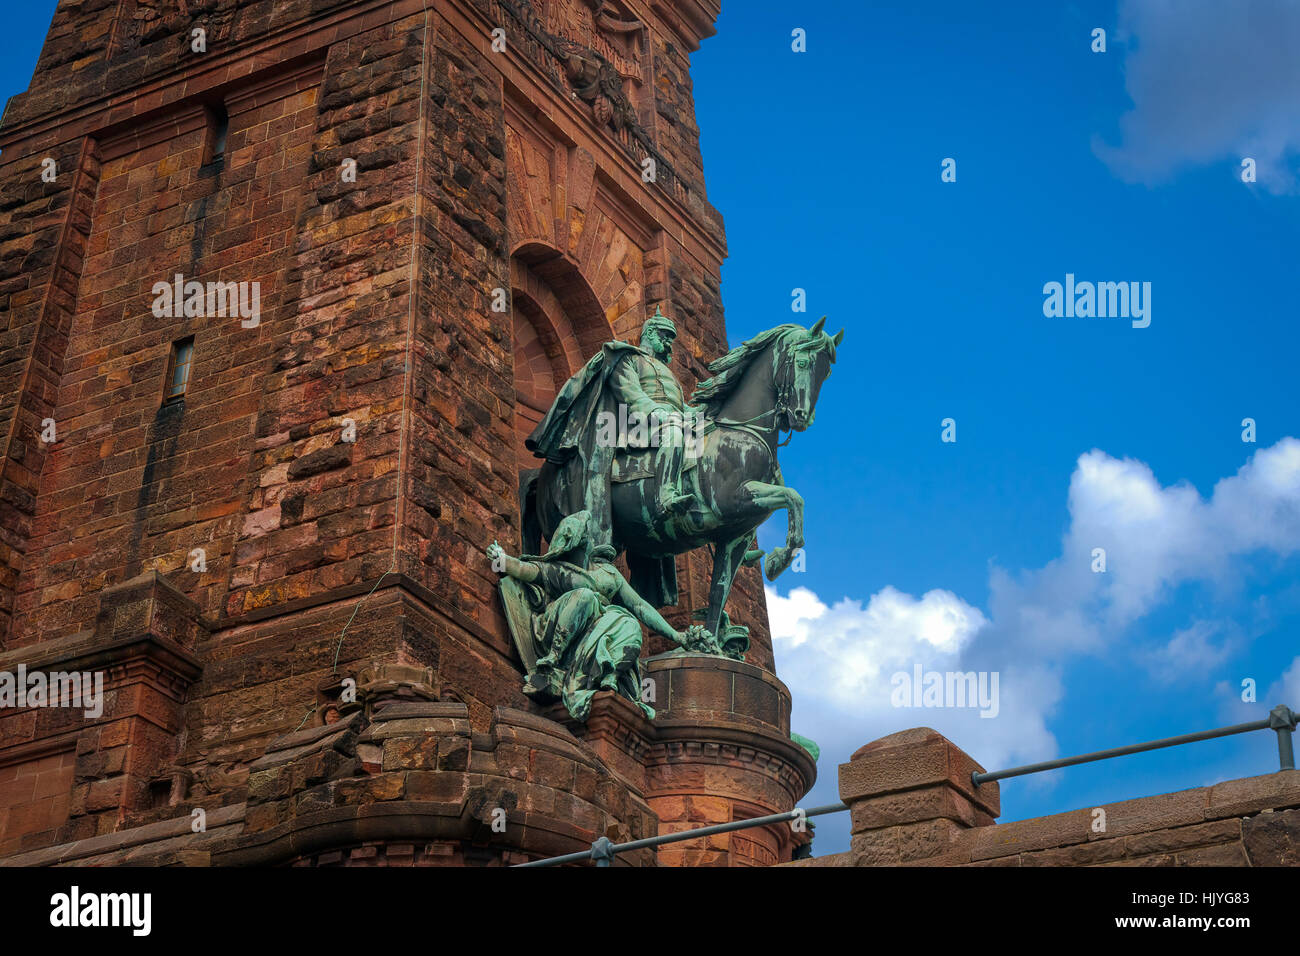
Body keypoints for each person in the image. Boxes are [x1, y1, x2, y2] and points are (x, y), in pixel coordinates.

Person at [488, 511, 716, 721]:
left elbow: (639, 606)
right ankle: (552, 662)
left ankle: (609, 674)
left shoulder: (609, 573)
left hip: (599, 626)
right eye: (582, 531)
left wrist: (677, 636)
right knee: (586, 597)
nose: (587, 535)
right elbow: (520, 569)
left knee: (628, 622)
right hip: (558, 627)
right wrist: (499, 558)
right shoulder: (556, 570)